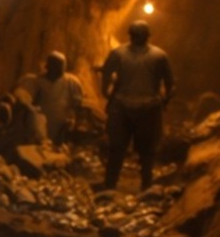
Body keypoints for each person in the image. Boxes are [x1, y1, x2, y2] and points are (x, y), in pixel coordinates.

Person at [99, 20, 175, 191]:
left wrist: (107, 93)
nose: (138, 37)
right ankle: (129, 184)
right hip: (138, 107)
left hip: (133, 106)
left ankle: (120, 184)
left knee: (139, 150)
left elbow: (106, 75)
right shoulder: (157, 55)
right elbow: (170, 83)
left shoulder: (121, 54)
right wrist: (165, 99)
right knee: (126, 148)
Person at [18, 51, 88, 143]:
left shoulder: (72, 83)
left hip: (61, 132)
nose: (60, 70)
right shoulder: (34, 81)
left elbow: (78, 107)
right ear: (48, 66)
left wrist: (73, 122)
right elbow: (24, 103)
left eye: (62, 67)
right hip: (37, 131)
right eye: (57, 66)